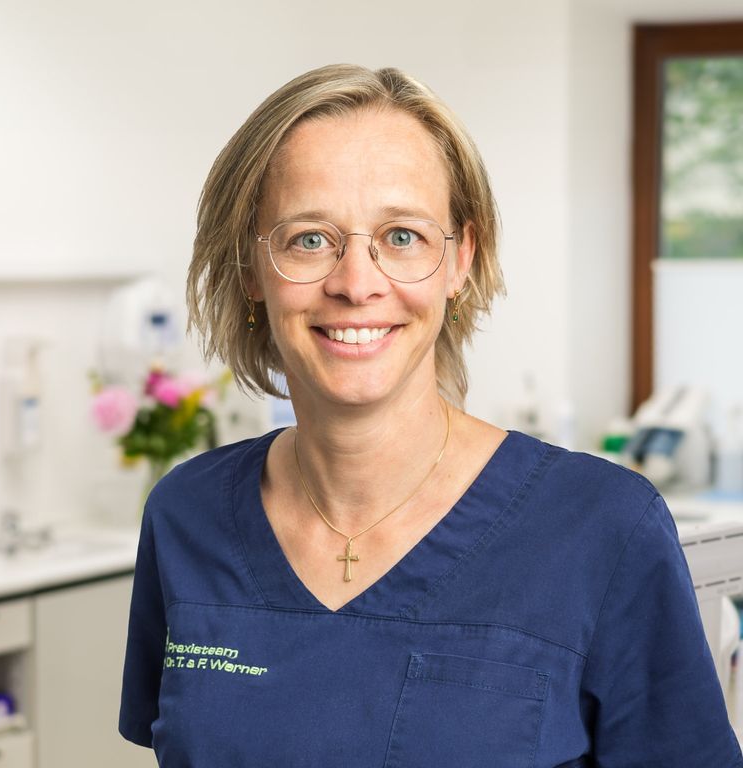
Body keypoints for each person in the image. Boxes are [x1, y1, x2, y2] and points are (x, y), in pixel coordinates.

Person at [118, 64, 743, 767]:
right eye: (310, 238)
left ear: (460, 261)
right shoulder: (187, 514)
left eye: (402, 236)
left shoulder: (604, 529)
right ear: (249, 270)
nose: (357, 283)